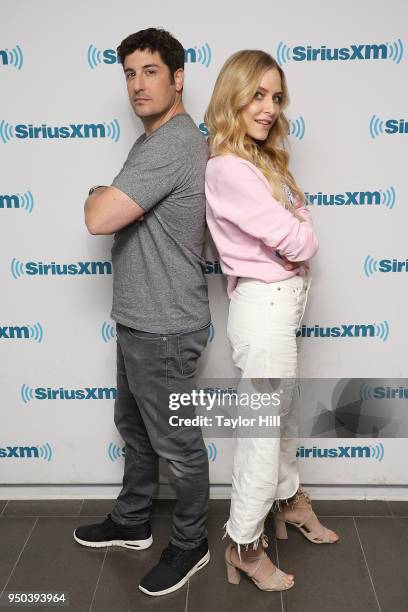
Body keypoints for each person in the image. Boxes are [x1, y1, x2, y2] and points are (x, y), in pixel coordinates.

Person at [73, 28, 212, 597]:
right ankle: (132, 522)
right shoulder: (149, 141)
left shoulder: (175, 143)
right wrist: (105, 193)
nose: (137, 84)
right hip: (138, 319)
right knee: (134, 432)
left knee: (177, 444)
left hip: (166, 326)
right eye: (129, 73)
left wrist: (97, 191)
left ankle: (191, 541)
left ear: (178, 78)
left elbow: (99, 215)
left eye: (150, 71)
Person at [205, 49, 339, 592]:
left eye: (276, 96)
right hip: (263, 310)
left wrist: (295, 226)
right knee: (262, 431)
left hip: (281, 305)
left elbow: (298, 228)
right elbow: (302, 237)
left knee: (279, 422)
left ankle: (288, 502)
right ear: (232, 96)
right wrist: (297, 230)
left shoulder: (265, 160)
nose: (268, 107)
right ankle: (241, 542)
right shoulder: (229, 168)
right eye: (257, 95)